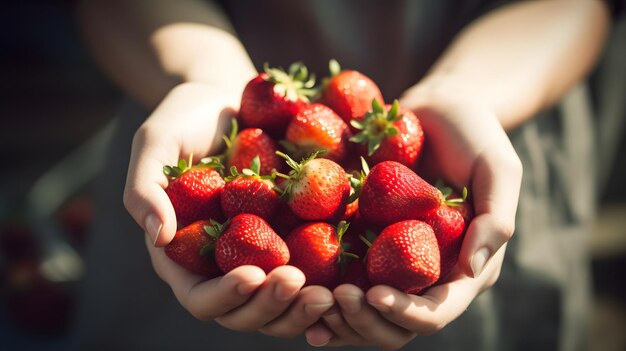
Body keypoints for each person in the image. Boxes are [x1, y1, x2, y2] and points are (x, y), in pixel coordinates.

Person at [72, 0, 614, 350]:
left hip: (506, 89)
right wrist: (210, 81)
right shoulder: (258, 173)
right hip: (194, 98)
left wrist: (465, 94)